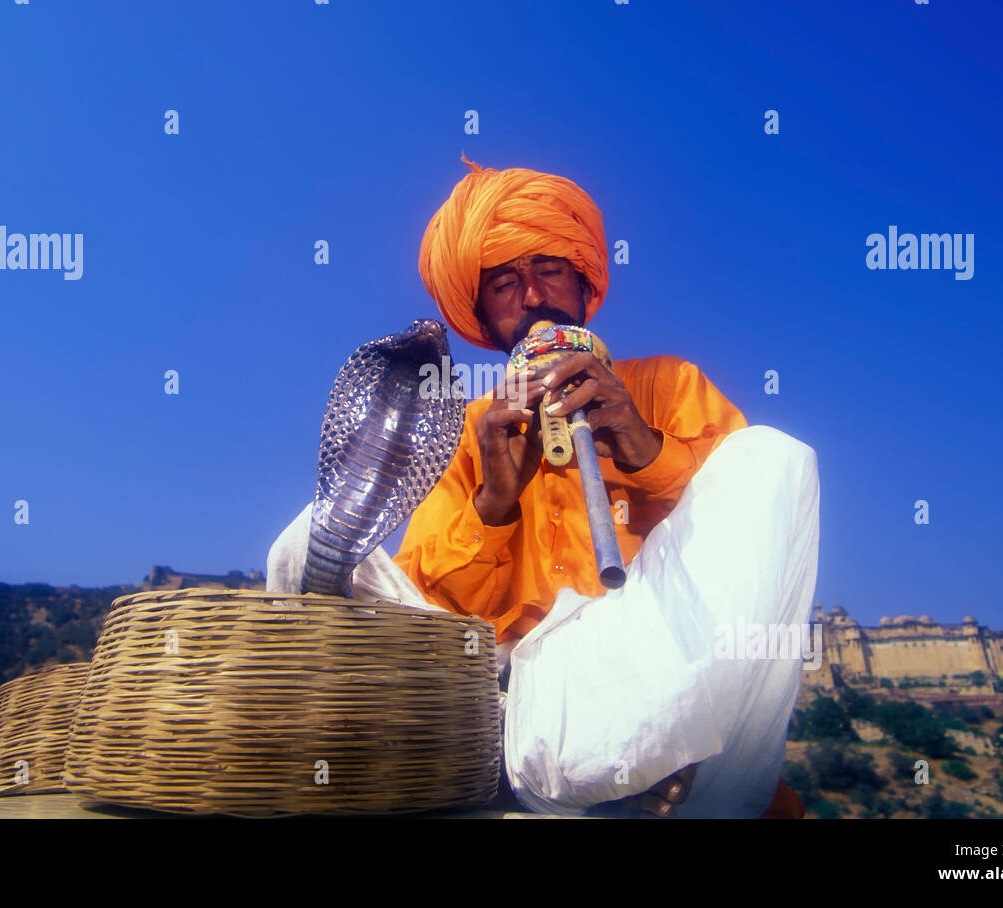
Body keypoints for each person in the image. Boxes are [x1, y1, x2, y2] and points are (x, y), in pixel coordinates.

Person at [268, 154, 819, 818]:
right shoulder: (469, 429)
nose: (531, 298)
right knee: (304, 545)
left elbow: (740, 556)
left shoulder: (668, 386)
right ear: (481, 314)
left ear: (585, 284)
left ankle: (637, 762)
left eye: (548, 269)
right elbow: (437, 621)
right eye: (503, 282)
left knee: (775, 458)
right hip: (511, 708)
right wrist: (495, 503)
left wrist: (642, 449)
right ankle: (492, 758)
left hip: (665, 703)